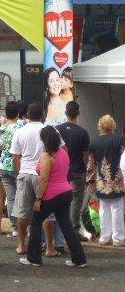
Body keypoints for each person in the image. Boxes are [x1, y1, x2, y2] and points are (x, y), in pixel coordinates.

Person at [18, 125, 87, 267]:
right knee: (67, 226)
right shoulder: (63, 153)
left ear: (44, 140)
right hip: (65, 192)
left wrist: (38, 199)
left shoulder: (47, 157)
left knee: (35, 222)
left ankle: (34, 258)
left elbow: (44, 180)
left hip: (51, 194)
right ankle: (79, 259)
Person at [9, 102, 54, 255]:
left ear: (28, 115)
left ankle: (21, 245)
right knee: (48, 212)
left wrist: (19, 173)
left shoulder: (20, 131)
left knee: (23, 211)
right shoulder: (49, 130)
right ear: (43, 114)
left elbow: (15, 157)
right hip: (44, 174)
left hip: (25, 172)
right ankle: (50, 247)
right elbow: (61, 149)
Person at [87, 115, 125, 246]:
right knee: (117, 208)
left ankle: (104, 237)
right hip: (117, 180)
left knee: (103, 208)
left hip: (102, 181)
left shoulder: (94, 141)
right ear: (113, 125)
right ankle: (118, 238)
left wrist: (90, 181)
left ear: (100, 126)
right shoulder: (120, 139)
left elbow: (91, 164)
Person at [55, 102, 90, 239]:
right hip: (77, 170)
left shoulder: (57, 130)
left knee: (60, 199)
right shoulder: (83, 133)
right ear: (78, 113)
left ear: (65, 113)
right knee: (76, 200)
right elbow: (85, 156)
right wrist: (87, 170)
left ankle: (59, 229)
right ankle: (74, 229)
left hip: (60, 171)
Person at [0, 101, 21, 236]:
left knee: (11, 198)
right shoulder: (19, 128)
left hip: (2, 164)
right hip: (16, 165)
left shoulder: (2, 128)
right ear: (17, 113)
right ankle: (24, 227)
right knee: (21, 197)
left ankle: (15, 228)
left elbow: (0, 146)